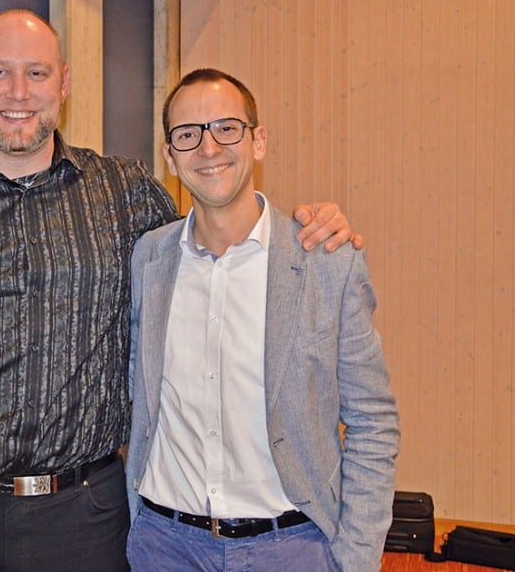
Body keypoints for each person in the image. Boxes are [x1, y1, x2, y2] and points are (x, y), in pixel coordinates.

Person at [0, 10, 360, 572]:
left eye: (37, 74)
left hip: (89, 520)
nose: (19, 93)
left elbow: (213, 247)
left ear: (64, 84)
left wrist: (308, 229)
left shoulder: (127, 193)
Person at [124, 68, 400, 572]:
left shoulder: (326, 259)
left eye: (227, 128)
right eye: (188, 135)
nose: (209, 149)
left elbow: (372, 421)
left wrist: (355, 559)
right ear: (169, 156)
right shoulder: (148, 259)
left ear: (258, 141)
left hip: (293, 548)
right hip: (164, 547)